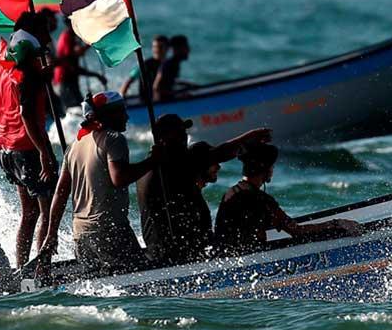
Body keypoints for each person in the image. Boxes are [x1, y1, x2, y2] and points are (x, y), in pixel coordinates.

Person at [41, 91, 155, 278]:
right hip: (109, 231)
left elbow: (60, 193)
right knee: (141, 282)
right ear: (107, 115)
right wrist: (153, 160)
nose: (126, 116)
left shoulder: (74, 146)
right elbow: (119, 178)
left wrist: (51, 234)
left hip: (81, 236)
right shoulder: (113, 139)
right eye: (121, 112)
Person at [137, 114, 271, 266]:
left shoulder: (149, 166)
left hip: (162, 253)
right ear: (165, 138)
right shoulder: (171, 164)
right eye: (180, 133)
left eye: (184, 132)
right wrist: (251, 137)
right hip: (181, 256)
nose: (185, 137)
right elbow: (220, 153)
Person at [0, 11, 57, 270]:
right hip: (28, 148)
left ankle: (22, 268)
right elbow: (27, 113)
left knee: (29, 213)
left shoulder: (5, 63)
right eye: (45, 33)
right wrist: (45, 152)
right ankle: (41, 270)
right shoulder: (28, 74)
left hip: (5, 149)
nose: (50, 40)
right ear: (32, 37)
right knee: (47, 213)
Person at [215, 143, 363, 256]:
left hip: (228, 256)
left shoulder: (230, 193)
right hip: (251, 259)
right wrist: (336, 223)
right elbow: (297, 231)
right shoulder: (260, 199)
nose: (273, 171)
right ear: (264, 169)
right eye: (271, 167)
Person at [53, 20, 108, 109]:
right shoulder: (67, 37)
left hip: (70, 79)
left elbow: (76, 55)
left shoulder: (71, 37)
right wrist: (96, 75)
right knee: (77, 109)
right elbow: (72, 62)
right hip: (65, 80)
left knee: (80, 107)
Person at [119, 34, 169, 99]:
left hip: (163, 99)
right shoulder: (146, 64)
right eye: (154, 47)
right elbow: (128, 81)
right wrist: (122, 97)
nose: (157, 50)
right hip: (147, 101)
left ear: (167, 48)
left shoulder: (169, 64)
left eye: (160, 47)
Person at [153, 34, 189, 102]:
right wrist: (178, 95)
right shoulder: (169, 65)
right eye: (186, 47)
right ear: (178, 49)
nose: (188, 50)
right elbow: (156, 87)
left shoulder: (174, 64)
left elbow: (168, 83)